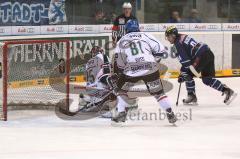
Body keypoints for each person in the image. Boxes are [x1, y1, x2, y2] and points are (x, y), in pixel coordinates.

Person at [111, 19, 177, 124]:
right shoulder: (146, 35)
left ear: (126, 29)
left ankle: (122, 113)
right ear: (138, 27)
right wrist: (152, 60)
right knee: (158, 93)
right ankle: (170, 114)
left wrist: (120, 75)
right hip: (150, 67)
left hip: (132, 69)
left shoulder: (122, 40)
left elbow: (119, 63)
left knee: (120, 90)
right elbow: (161, 51)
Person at [165, 26, 237, 105]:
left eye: (168, 36)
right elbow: (189, 58)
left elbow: (186, 63)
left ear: (173, 35)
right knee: (207, 79)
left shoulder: (177, 44)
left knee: (186, 74)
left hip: (201, 57)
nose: (167, 39)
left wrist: (182, 74)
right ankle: (227, 91)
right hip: (208, 53)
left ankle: (191, 96)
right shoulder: (182, 36)